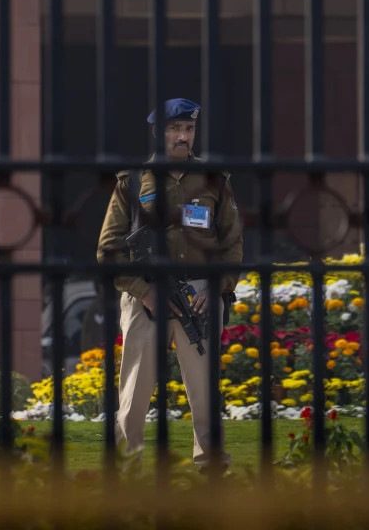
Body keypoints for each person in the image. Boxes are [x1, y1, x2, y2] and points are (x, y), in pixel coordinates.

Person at [95, 97, 243, 470]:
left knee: (205, 389)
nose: (182, 136)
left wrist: (217, 286)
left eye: (188, 129)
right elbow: (109, 249)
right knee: (134, 390)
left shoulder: (215, 179)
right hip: (147, 295)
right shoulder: (132, 181)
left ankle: (210, 462)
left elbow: (232, 242)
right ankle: (126, 463)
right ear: (159, 133)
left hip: (199, 297)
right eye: (175, 129)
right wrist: (144, 290)